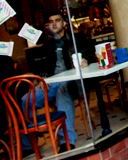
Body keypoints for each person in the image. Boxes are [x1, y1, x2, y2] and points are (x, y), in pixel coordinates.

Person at [27, 12, 95, 152]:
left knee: (61, 92)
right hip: (52, 83)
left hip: (72, 82)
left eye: (57, 20)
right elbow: (40, 66)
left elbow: (91, 54)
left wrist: (86, 60)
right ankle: (28, 145)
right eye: (51, 21)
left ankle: (67, 141)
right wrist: (43, 77)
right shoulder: (48, 45)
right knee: (25, 101)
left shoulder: (76, 39)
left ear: (64, 23)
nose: (54, 24)